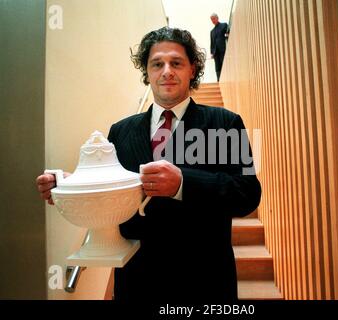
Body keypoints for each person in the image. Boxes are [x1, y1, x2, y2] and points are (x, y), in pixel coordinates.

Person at [36, 27, 261, 303]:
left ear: (192, 69)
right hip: (138, 281)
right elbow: (111, 192)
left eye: (176, 63)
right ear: (147, 72)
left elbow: (248, 193)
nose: (166, 71)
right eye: (157, 64)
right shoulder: (120, 131)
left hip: (204, 281)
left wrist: (183, 183)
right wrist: (72, 187)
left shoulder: (226, 123)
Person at [210, 13, 229, 81]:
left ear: (217, 18)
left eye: (214, 19)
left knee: (223, 63)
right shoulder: (212, 31)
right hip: (215, 51)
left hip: (223, 49)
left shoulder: (224, 25)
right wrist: (212, 53)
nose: (213, 20)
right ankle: (219, 80)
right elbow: (212, 43)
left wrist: (227, 35)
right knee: (217, 66)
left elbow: (228, 32)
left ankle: (225, 79)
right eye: (211, 19)